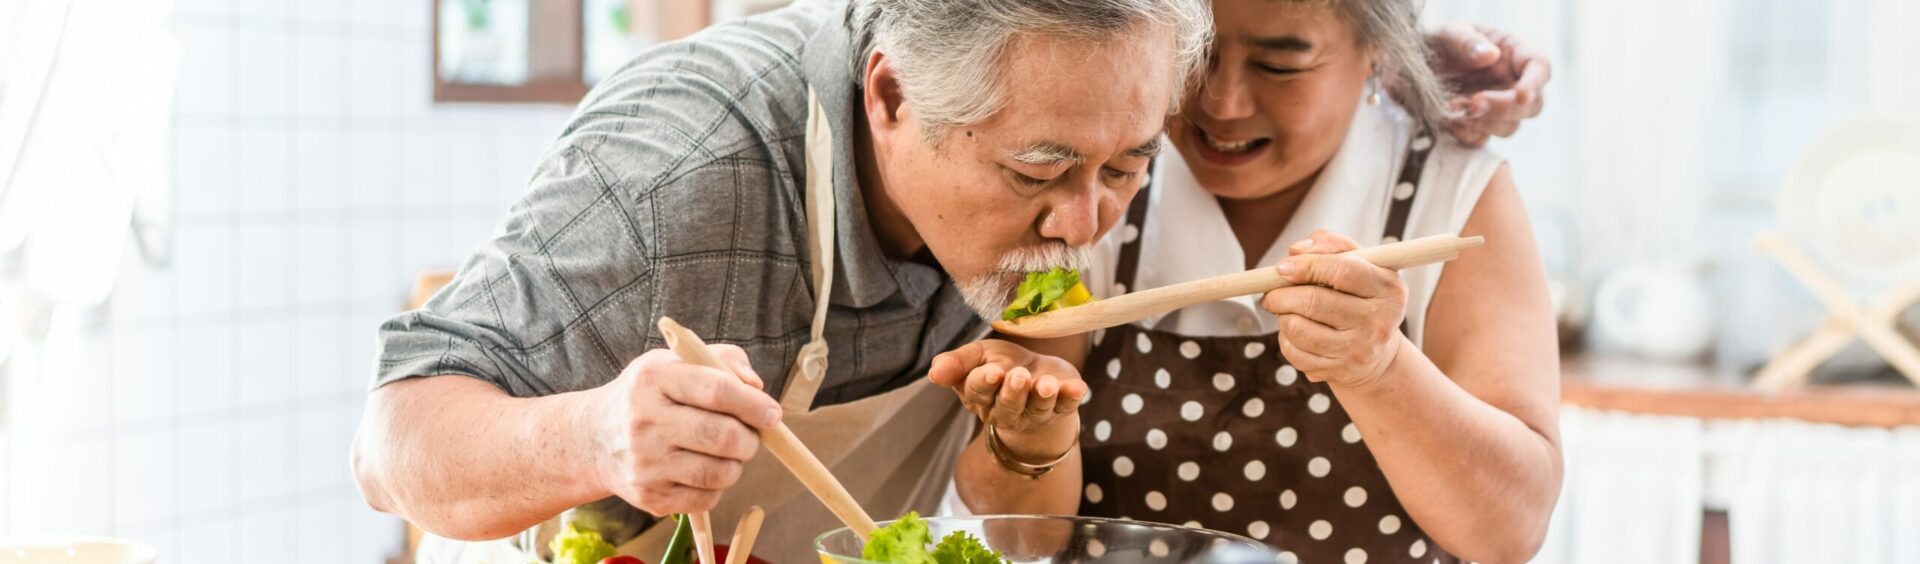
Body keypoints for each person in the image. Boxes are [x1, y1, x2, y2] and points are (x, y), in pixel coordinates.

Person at [351, 0, 1546, 560]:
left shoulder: (1102, 118)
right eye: (1043, 165)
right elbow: (391, 444)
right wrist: (599, 437)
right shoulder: (688, 163)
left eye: (1129, 165)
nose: (1086, 224)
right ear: (889, 98)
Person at [930, 1, 1559, 563]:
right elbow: (1022, 540)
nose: (1222, 103)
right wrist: (1030, 433)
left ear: (1378, 54)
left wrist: (1380, 368)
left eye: (1279, 67)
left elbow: (1509, 532)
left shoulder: (1450, 190)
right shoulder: (1102, 178)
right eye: (1194, 55)